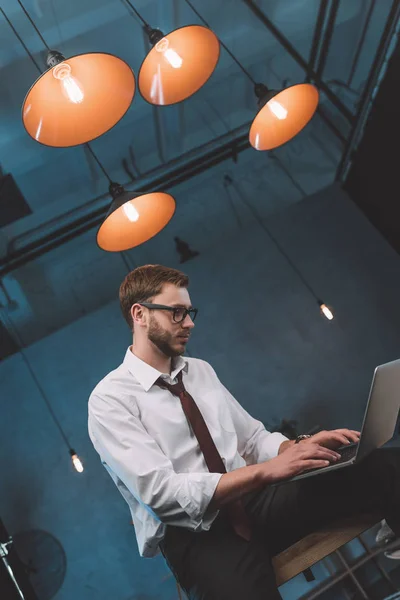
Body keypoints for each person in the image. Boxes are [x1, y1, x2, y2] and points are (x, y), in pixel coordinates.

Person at [88, 264, 400, 600]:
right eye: (177, 312)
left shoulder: (200, 371)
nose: (190, 323)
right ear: (140, 314)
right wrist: (266, 471)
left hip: (257, 503)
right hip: (200, 538)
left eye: (190, 312)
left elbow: (252, 439)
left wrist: (297, 447)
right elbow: (162, 495)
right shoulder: (109, 400)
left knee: (380, 464)